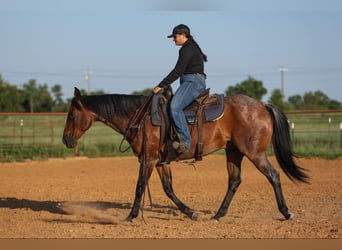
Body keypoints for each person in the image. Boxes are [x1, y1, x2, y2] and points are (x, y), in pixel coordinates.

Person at [153, 24, 207, 154]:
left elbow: (178, 71)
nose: (174, 39)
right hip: (190, 81)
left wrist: (160, 85)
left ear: (183, 35)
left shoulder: (187, 49)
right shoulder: (190, 47)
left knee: (175, 107)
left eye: (175, 36)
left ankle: (185, 142)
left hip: (193, 82)